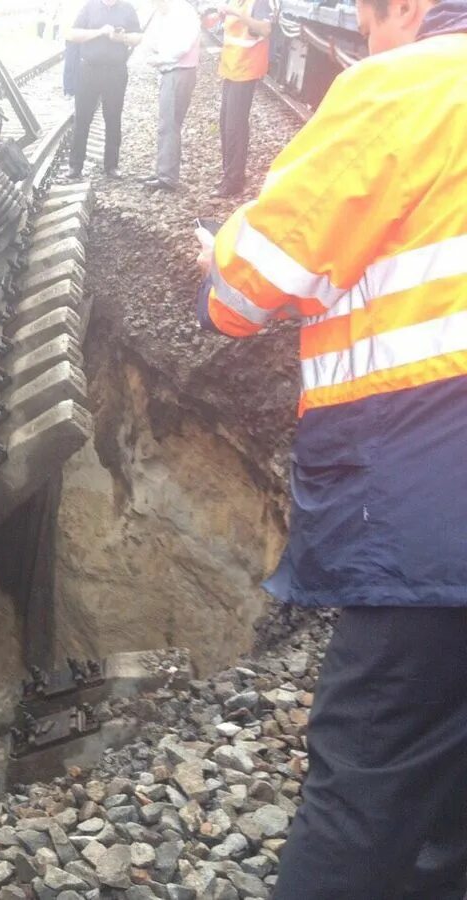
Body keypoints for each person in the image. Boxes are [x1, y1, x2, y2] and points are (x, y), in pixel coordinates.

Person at [196, 0, 467, 895]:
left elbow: (244, 292)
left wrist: (218, 251)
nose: (360, 33)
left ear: (405, 11)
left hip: (430, 509)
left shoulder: (399, 87)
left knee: (365, 790)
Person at [123, 0, 201, 191]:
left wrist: (158, 59)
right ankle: (163, 171)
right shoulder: (165, 12)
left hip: (179, 71)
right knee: (167, 124)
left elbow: (182, 46)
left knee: (170, 125)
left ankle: (167, 177)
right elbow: (154, 39)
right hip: (172, 72)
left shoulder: (183, 12)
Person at [65, 0, 142, 179]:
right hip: (89, 70)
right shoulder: (89, 7)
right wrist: (99, 32)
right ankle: (75, 166)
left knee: (113, 118)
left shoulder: (127, 8)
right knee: (82, 118)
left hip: (116, 71)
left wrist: (122, 37)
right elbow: (72, 34)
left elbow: (138, 37)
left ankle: (111, 166)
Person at [213, 0, 273, 196]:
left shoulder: (258, 2)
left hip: (246, 69)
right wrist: (225, 15)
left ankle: (234, 181)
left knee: (235, 127)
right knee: (226, 124)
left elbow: (265, 29)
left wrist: (237, 14)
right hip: (232, 69)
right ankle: (229, 175)